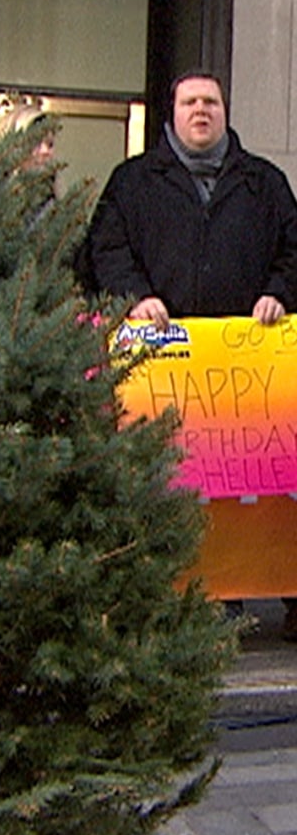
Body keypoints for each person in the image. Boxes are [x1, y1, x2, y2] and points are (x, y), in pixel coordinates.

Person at [81, 68, 297, 638]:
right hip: (163, 374)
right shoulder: (131, 183)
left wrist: (278, 293)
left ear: (225, 112)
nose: (201, 111)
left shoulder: (265, 184)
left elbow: (293, 252)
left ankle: (252, 587)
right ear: (171, 114)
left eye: (211, 102)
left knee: (248, 493)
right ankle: (176, 594)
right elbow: (104, 250)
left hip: (246, 372)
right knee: (174, 485)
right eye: (190, 102)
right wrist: (135, 297)